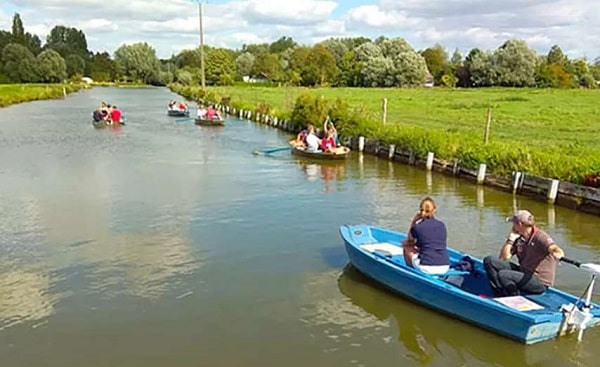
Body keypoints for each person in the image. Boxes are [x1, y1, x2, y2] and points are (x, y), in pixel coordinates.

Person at [483, 210, 565, 297]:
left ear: (519, 224)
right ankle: (500, 292)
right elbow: (504, 257)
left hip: (539, 281)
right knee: (490, 261)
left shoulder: (540, 236)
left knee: (504, 275)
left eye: (513, 223)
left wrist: (558, 253)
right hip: (524, 272)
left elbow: (554, 248)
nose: (512, 226)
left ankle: (514, 298)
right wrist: (510, 240)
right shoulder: (519, 237)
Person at [401, 197, 449, 274]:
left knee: (406, 246)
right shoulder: (442, 225)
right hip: (445, 266)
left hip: (426, 267)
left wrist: (414, 221)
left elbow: (410, 241)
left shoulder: (418, 227)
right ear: (434, 210)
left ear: (420, 211)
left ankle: (411, 273)